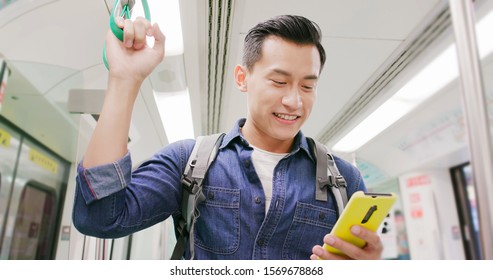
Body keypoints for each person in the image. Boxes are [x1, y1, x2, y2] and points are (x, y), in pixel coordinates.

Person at [72, 14, 384, 260]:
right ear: (242, 78)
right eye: (279, 81)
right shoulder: (189, 163)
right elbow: (99, 218)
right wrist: (124, 79)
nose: (294, 101)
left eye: (307, 86)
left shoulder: (344, 182)